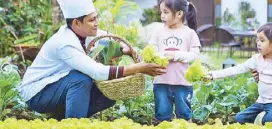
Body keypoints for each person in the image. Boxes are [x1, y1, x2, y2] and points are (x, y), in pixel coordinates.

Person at [17, 0, 166, 120]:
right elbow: (97, 71)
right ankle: (74, 123)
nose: (96, 22)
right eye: (92, 20)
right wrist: (139, 68)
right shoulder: (65, 43)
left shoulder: (85, 32)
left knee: (108, 95)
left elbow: (107, 37)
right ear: (76, 23)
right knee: (81, 79)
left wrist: (123, 48)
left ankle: (62, 119)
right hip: (37, 93)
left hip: (58, 85)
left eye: (96, 18)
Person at [206, 22, 272, 125]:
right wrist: (213, 75)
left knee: (270, 120)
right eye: (257, 40)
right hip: (261, 102)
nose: (258, 43)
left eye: (262, 40)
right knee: (239, 118)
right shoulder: (256, 59)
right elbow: (237, 69)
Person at [148, 0, 200, 124]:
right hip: (161, 81)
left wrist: (175, 55)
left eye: (166, 12)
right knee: (162, 116)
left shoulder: (189, 33)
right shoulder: (158, 31)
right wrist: (156, 55)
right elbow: (151, 47)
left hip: (182, 81)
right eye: (161, 12)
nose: (162, 15)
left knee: (184, 116)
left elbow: (195, 54)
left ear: (179, 14)